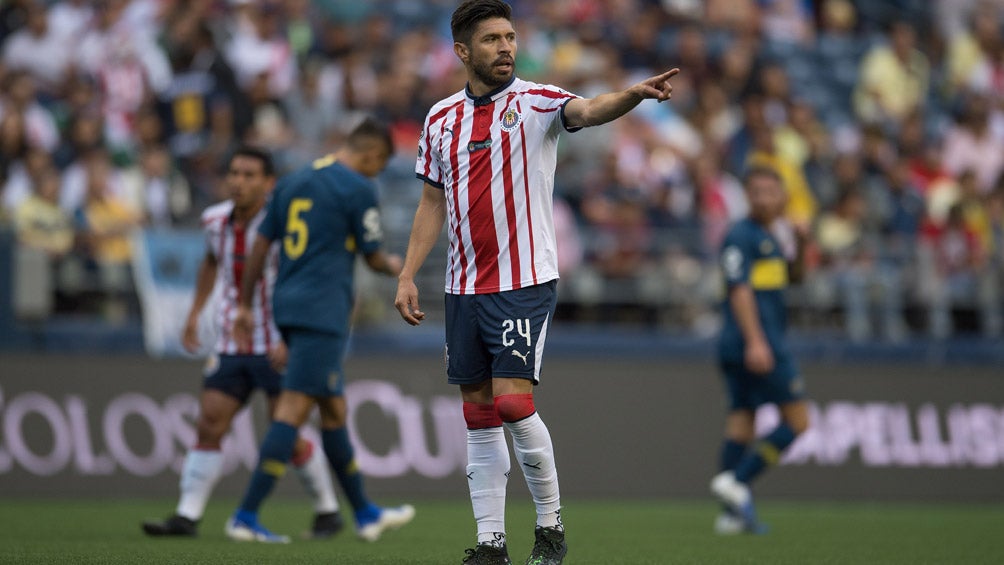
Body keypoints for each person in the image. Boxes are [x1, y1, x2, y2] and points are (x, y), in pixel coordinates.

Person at [393, 1, 678, 562]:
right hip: (463, 286)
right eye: (493, 39)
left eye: (510, 36)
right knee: (477, 412)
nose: (506, 47)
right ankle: (489, 542)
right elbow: (431, 202)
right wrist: (406, 273)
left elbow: (590, 109)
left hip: (523, 280)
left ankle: (550, 527)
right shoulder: (440, 119)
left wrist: (632, 95)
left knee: (511, 405)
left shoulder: (536, 102)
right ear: (462, 51)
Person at [226, 118, 414, 544]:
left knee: (332, 411)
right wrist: (395, 264)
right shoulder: (357, 188)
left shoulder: (293, 181)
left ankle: (365, 514)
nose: (377, 174)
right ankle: (245, 515)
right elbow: (370, 258)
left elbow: (260, 244)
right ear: (370, 154)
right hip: (323, 310)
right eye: (379, 164)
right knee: (292, 410)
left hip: (287, 304)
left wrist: (243, 303)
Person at [141, 146, 344, 539]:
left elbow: (302, 279)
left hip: (276, 341)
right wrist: (194, 312)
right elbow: (211, 261)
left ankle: (327, 510)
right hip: (232, 342)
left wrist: (291, 335)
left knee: (287, 432)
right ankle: (187, 516)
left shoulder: (284, 224)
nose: (239, 181)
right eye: (234, 173)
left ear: (269, 184)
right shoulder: (214, 220)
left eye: (250, 175)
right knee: (210, 422)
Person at [709, 166, 810, 534]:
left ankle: (731, 513)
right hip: (758, 343)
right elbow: (739, 290)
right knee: (799, 421)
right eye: (757, 191)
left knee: (742, 421)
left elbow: (795, 278)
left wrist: (801, 245)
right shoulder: (739, 235)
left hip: (749, 343)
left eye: (771, 191)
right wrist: (756, 341)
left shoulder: (775, 234)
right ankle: (738, 481)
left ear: (782, 196)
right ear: (747, 196)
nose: (764, 198)